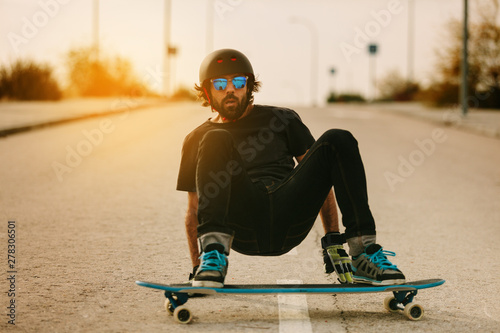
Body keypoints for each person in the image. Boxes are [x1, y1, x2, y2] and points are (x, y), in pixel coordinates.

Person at [177, 48, 405, 288]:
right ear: (207, 91)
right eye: (220, 83)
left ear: (250, 85)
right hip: (241, 222)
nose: (230, 89)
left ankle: (363, 253)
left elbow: (320, 178)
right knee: (215, 137)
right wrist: (196, 269)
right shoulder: (197, 139)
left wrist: (333, 239)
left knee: (338, 138)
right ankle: (212, 256)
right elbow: (193, 210)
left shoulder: (282, 119)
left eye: (239, 81)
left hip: (289, 214)